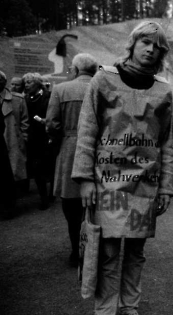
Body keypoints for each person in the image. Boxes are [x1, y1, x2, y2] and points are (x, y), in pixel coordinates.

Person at [71, 21, 173, 315]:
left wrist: (167, 186)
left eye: (157, 46)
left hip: (145, 183)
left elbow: (167, 142)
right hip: (107, 183)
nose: (150, 49)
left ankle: (130, 309)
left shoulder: (163, 91)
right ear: (132, 44)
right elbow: (87, 131)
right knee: (108, 254)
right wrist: (85, 179)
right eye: (145, 41)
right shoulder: (103, 80)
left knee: (136, 254)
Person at [46, 53, 98, 266]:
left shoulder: (60, 90)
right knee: (97, 204)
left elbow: (51, 123)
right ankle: (97, 250)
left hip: (69, 150)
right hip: (98, 151)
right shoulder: (103, 88)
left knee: (71, 204)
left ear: (75, 70)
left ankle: (77, 251)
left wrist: (60, 138)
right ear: (94, 71)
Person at [1, 70, 28, 220]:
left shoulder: (17, 99)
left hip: (12, 141)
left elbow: (25, 122)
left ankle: (10, 207)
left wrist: (23, 139)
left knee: (11, 175)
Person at [23, 72, 52, 209]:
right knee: (37, 168)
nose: (27, 85)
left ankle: (51, 192)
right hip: (33, 136)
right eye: (26, 82)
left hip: (46, 135)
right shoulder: (26, 98)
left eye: (30, 82)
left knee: (49, 165)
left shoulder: (48, 96)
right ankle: (44, 198)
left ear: (38, 83)